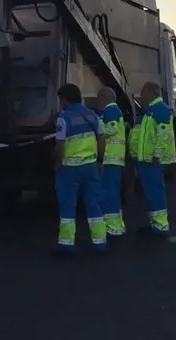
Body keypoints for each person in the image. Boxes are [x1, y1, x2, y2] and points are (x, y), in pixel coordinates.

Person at [53, 83, 108, 254]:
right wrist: (99, 160)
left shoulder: (64, 119)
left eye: (61, 99)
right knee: (93, 204)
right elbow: (102, 139)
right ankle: (100, 243)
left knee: (68, 206)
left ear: (66, 100)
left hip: (70, 169)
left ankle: (66, 245)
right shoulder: (93, 116)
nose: (61, 103)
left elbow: (60, 145)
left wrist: (58, 163)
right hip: (91, 166)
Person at [128, 81, 176, 236]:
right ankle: (155, 224)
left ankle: (160, 226)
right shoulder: (150, 111)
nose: (141, 97)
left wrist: (157, 154)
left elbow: (164, 135)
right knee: (150, 193)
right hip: (146, 160)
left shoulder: (160, 110)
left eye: (143, 93)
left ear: (150, 93)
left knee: (155, 192)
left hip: (152, 160)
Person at [95, 87, 126, 237]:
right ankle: (117, 224)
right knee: (112, 192)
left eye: (99, 98)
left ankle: (112, 227)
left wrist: (95, 133)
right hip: (114, 159)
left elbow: (110, 130)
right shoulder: (114, 111)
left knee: (109, 193)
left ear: (104, 98)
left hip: (110, 159)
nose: (97, 101)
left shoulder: (110, 111)